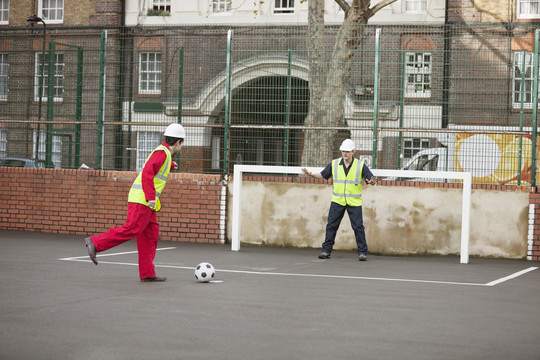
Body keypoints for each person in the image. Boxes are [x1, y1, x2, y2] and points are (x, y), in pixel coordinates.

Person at [84, 123, 186, 282]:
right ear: (178, 142)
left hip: (146, 202)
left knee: (150, 235)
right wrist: (151, 197)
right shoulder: (163, 153)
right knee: (132, 229)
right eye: (182, 144)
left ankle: (147, 273)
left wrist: (170, 165)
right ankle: (96, 243)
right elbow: (147, 173)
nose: (181, 147)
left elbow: (156, 166)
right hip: (142, 200)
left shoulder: (164, 154)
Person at [302, 139, 376, 261]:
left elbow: (371, 179)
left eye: (347, 151)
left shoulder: (360, 165)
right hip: (338, 200)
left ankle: (362, 252)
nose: (345, 153)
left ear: (353, 152)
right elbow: (323, 174)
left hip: (354, 202)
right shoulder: (335, 164)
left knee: (358, 227)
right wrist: (311, 174)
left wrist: (373, 182)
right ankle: (326, 251)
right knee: (331, 226)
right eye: (343, 151)